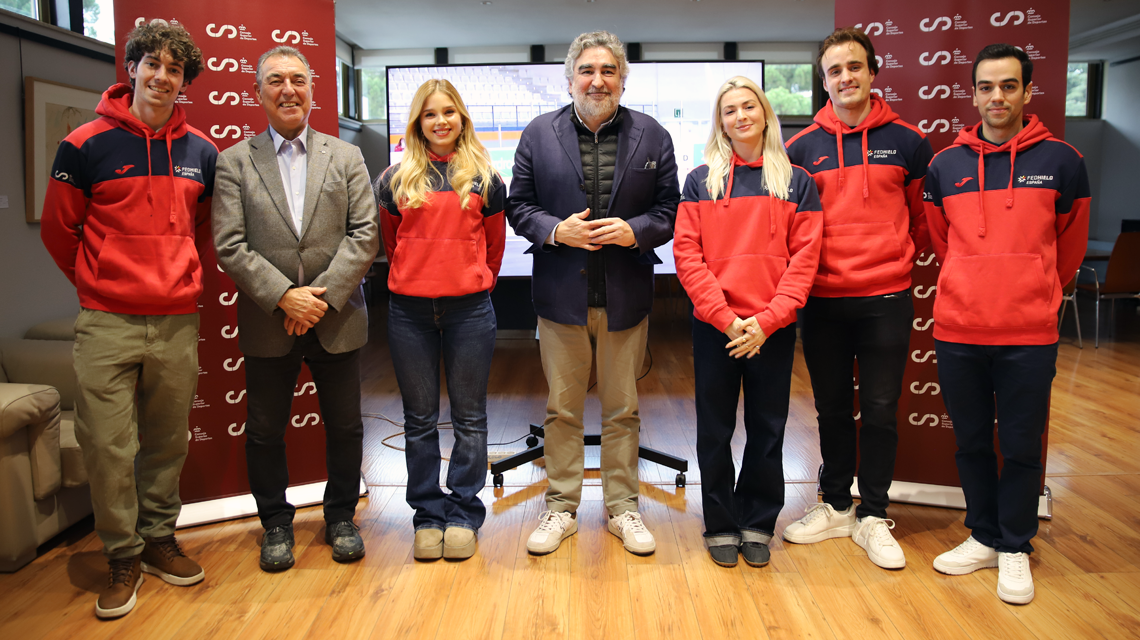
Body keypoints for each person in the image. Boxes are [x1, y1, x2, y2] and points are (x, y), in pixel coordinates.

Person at [39, 19, 214, 619]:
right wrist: (100, 283)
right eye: (153, 65)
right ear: (132, 67)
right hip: (106, 320)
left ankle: (160, 538)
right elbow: (61, 231)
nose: (163, 77)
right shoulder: (84, 143)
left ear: (183, 81)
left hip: (176, 321)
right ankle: (122, 554)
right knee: (108, 446)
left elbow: (206, 234)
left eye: (175, 70)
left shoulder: (202, 152)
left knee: (166, 442)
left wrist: (178, 278)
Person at [925, 44, 1089, 605]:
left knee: (1020, 444)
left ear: (1026, 91)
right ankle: (984, 535)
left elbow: (1068, 248)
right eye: (987, 87)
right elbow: (942, 242)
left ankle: (1015, 544)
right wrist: (975, 279)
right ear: (972, 94)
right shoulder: (944, 166)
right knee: (971, 443)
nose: (998, 97)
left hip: (1028, 333)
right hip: (959, 329)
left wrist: (1032, 289)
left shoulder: (1064, 161)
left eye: (1009, 86)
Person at [507, 30, 680, 556]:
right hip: (560, 297)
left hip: (626, 297)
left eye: (608, 71)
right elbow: (519, 206)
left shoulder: (653, 135)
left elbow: (670, 210)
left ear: (622, 79)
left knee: (622, 409)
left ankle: (623, 508)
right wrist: (557, 230)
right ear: (570, 78)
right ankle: (561, 508)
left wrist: (638, 231)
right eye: (587, 70)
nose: (597, 80)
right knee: (562, 410)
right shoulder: (538, 133)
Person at [212, 46, 379, 572]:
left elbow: (365, 234)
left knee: (347, 427)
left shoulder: (346, 157)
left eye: (299, 80)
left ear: (313, 90)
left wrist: (319, 298)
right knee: (264, 431)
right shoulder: (235, 162)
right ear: (257, 93)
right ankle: (276, 525)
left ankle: (340, 518)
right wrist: (285, 296)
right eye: (276, 80)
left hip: (336, 318)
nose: (289, 89)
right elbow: (230, 243)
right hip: (269, 320)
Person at [783, 27, 933, 569]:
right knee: (829, 410)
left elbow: (921, 220)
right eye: (834, 71)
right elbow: (793, 227)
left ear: (872, 71)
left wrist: (889, 260)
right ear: (824, 82)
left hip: (886, 298)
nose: (845, 78)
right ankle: (836, 504)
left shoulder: (910, 142)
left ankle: (873, 514)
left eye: (854, 67)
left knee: (879, 410)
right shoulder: (800, 149)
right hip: (822, 300)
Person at [674, 77, 822, 567]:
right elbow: (688, 256)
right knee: (714, 431)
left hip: (771, 330)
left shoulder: (796, 181)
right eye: (729, 110)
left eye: (749, 106)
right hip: (717, 327)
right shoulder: (700, 180)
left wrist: (767, 320)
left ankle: (757, 521)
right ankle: (719, 522)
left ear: (764, 114)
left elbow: (804, 259)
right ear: (719, 122)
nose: (740, 116)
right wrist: (725, 318)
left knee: (767, 430)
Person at [374, 79, 505, 561]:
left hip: (470, 311)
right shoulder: (394, 179)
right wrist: (418, 276)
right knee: (419, 420)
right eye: (430, 114)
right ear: (417, 123)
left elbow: (494, 246)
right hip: (409, 313)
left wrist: (471, 279)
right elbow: (392, 244)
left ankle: (464, 512)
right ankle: (427, 515)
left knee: (470, 419)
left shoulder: (485, 178)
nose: (441, 121)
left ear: (462, 119)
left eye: (449, 112)